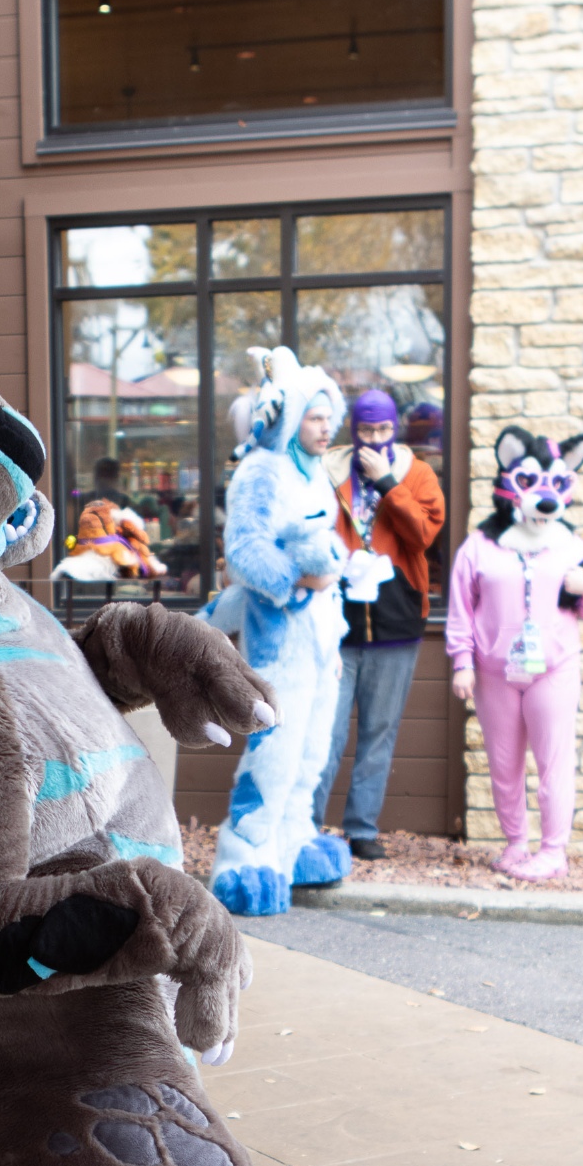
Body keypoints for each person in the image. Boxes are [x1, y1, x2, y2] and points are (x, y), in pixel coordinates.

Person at [208, 345, 352, 914]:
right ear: (293, 418)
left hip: (319, 639)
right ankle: (243, 857)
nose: (325, 428)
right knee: (275, 751)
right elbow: (244, 549)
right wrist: (297, 583)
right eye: (314, 418)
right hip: (279, 637)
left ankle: (292, 843)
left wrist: (329, 622)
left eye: (328, 417)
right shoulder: (262, 470)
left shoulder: (314, 471)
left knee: (311, 751)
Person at [446, 424, 583, 882]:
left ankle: (554, 851)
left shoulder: (572, 546)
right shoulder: (479, 546)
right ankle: (516, 844)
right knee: (504, 764)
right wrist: (462, 661)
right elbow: (461, 607)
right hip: (494, 672)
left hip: (554, 670)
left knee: (553, 762)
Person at [313, 389, 445, 860]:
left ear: (395, 429)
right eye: (366, 430)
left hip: (396, 622)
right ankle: (305, 826)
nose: (374, 438)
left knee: (378, 732)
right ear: (354, 430)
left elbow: (424, 534)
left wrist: (388, 482)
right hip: (335, 621)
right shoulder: (326, 471)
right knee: (324, 733)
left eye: (383, 429)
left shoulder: (418, 473)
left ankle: (362, 828)